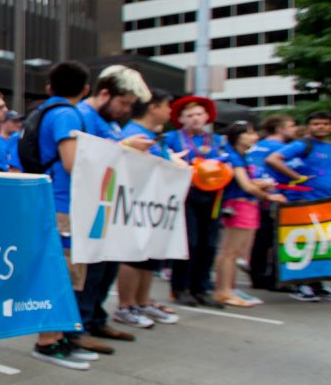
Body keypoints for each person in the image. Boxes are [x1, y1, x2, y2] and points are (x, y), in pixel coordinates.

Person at [67, 66, 152, 355]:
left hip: (108, 202)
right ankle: (80, 326)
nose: (125, 110)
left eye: (129, 105)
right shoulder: (81, 116)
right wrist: (123, 146)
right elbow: (83, 156)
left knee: (106, 266)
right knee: (88, 270)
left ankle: (96, 318)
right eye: (123, 103)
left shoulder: (111, 123)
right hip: (86, 204)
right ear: (104, 94)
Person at [28, 61, 95, 370]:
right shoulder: (67, 115)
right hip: (63, 204)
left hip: (54, 201)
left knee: (63, 271)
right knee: (61, 272)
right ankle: (48, 341)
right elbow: (71, 162)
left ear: (49, 87)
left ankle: (57, 336)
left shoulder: (46, 112)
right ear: (85, 90)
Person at [112, 89, 181, 329]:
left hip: (154, 206)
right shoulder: (132, 134)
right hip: (134, 205)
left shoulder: (153, 135)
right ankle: (125, 305)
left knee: (149, 256)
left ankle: (142, 302)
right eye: (167, 106)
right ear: (153, 107)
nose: (170, 112)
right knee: (132, 256)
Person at [163, 96, 231, 309]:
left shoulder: (218, 141)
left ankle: (201, 288)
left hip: (213, 196)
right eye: (189, 115)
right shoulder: (172, 138)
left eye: (199, 114)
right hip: (186, 196)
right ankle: (180, 288)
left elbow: (228, 163)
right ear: (181, 118)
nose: (195, 119)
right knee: (188, 243)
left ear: (207, 116)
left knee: (209, 244)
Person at [213, 122, 286, 307]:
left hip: (246, 205)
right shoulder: (235, 157)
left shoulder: (241, 156)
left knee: (234, 252)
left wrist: (260, 187)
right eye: (249, 133)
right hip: (239, 205)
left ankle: (229, 288)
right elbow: (245, 186)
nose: (254, 137)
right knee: (230, 252)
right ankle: (224, 291)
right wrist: (269, 195)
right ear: (238, 136)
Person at [266, 111, 331, 302]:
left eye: (326, 124)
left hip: (324, 204)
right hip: (303, 202)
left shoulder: (328, 146)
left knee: (321, 245)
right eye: (317, 123)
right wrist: (297, 178)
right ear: (309, 126)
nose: (321, 127)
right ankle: (302, 285)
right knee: (303, 244)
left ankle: (317, 284)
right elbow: (273, 159)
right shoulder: (302, 144)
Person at [245, 114, 299, 290]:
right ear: (279, 129)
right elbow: (297, 169)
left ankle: (258, 277)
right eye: (291, 126)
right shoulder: (282, 148)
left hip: (255, 197)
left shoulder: (255, 146)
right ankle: (275, 279)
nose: (294, 130)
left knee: (260, 240)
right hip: (275, 197)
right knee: (274, 240)